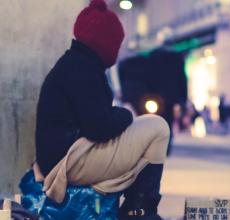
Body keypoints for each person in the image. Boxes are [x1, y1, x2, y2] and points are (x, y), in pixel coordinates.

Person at [34, 1, 169, 219]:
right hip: (66, 162)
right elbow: (100, 127)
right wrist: (126, 113)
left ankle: (137, 206)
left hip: (69, 154)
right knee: (158, 127)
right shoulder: (82, 68)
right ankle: (140, 210)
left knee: (147, 127)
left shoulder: (77, 62)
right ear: (105, 42)